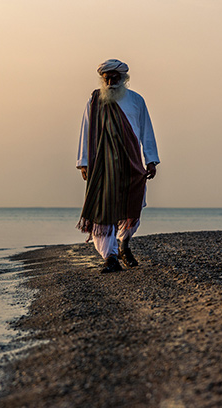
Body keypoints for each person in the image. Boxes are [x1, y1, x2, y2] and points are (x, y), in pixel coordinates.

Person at [76, 58, 160, 273]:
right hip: (102, 164)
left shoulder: (136, 100)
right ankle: (110, 256)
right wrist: (84, 163)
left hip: (130, 161)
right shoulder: (94, 101)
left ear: (124, 79)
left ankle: (123, 244)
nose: (111, 81)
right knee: (102, 208)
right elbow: (86, 131)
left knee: (133, 203)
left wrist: (150, 159)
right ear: (102, 79)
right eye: (107, 78)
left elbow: (145, 130)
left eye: (115, 77)